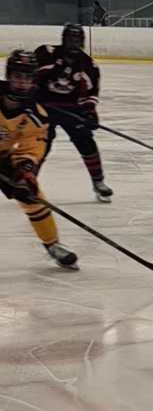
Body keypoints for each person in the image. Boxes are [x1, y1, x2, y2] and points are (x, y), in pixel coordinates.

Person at [0, 51, 78, 269]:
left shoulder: (35, 114)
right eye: (17, 76)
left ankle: (52, 245)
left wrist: (25, 171)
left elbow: (30, 147)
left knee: (32, 196)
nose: (22, 82)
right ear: (8, 76)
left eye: (27, 77)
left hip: (2, 156)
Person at [34, 24, 112, 203]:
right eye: (71, 39)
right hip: (44, 106)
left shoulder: (89, 65)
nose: (74, 43)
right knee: (40, 143)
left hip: (71, 109)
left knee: (86, 141)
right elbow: (33, 76)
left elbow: (91, 93)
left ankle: (98, 182)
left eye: (78, 40)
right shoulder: (46, 53)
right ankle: (29, 181)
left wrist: (90, 112)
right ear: (63, 40)